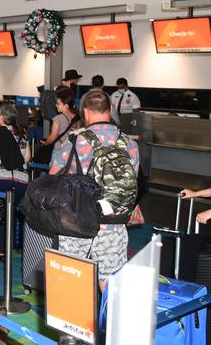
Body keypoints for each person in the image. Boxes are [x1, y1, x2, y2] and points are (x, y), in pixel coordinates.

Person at [48, 90, 139, 291]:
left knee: (72, 277)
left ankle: (73, 320)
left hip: (77, 222)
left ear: (86, 112)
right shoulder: (130, 144)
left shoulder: (76, 141)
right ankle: (109, 320)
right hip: (114, 223)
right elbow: (132, 180)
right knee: (110, 280)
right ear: (111, 109)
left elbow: (53, 175)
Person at [0, 104, 30, 260]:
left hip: (1, 180)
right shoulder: (21, 135)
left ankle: (3, 250)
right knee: (13, 214)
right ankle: (16, 245)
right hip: (21, 182)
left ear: (0, 117)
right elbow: (27, 158)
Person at [41, 85, 80, 156]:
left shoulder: (58, 118)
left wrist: (45, 143)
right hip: (72, 152)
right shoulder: (77, 118)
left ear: (66, 105)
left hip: (59, 151)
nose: (56, 105)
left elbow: (53, 137)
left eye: (58, 104)